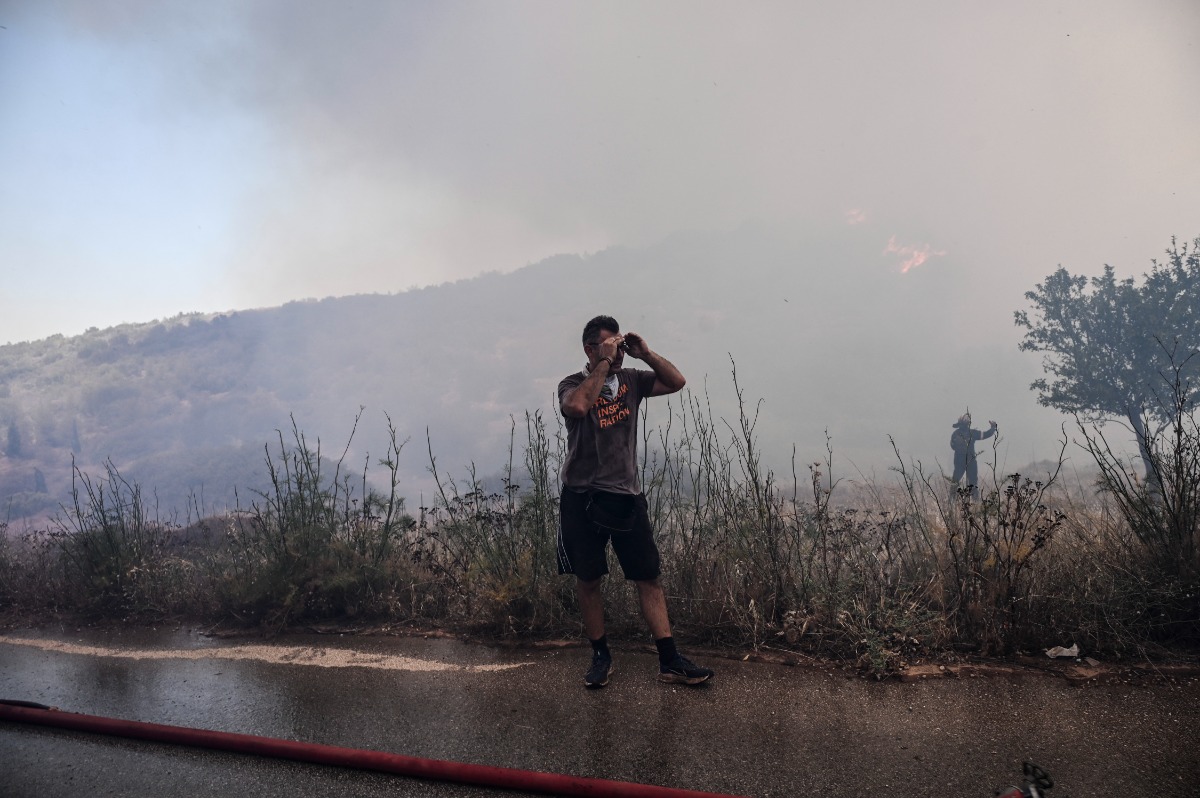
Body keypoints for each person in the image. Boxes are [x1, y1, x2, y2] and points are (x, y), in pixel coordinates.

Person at [557, 315, 714, 688]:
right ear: (589, 349)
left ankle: (670, 660)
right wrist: (604, 363)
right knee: (588, 580)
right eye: (609, 345)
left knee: (648, 577)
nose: (618, 353)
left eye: (619, 345)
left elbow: (676, 382)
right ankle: (600, 656)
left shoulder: (633, 381)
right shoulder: (572, 384)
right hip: (581, 496)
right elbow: (578, 407)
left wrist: (645, 353)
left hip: (626, 494)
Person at [949, 411, 998, 497]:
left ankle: (951, 502)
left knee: (955, 482)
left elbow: (952, 446)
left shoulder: (955, 434)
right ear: (968, 423)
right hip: (971, 461)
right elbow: (985, 435)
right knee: (973, 484)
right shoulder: (973, 433)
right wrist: (993, 428)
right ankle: (975, 505)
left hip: (958, 461)